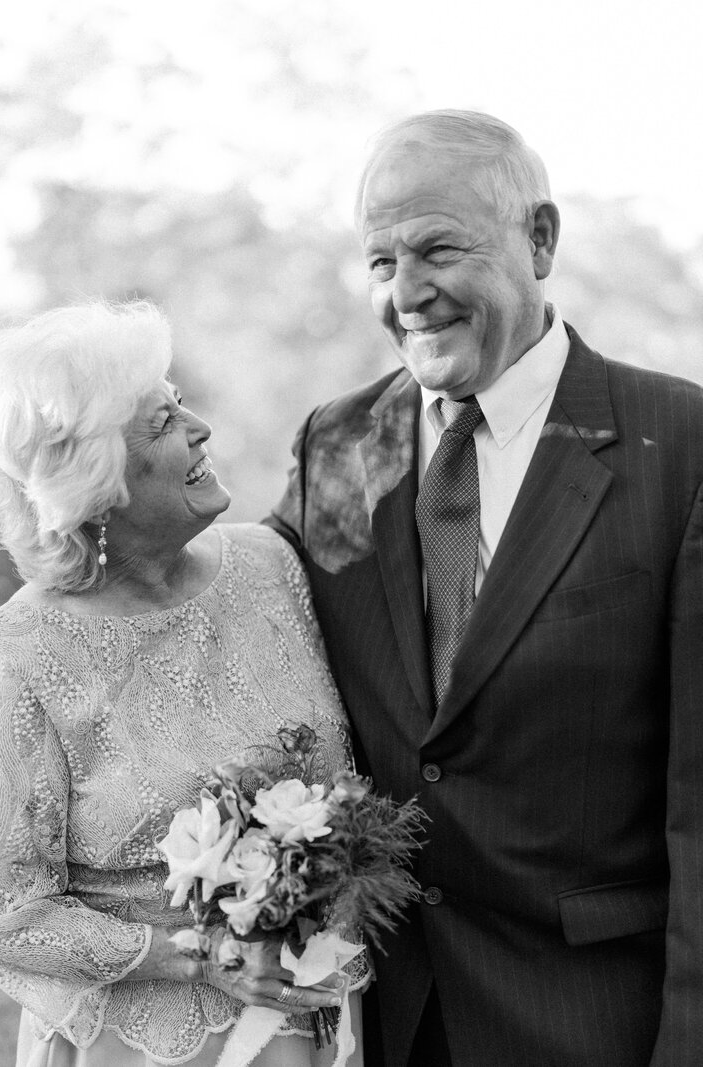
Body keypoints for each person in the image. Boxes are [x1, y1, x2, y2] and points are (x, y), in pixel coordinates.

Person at [268, 109, 703, 1066]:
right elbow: (229, 622)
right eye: (380, 263)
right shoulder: (338, 447)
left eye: (438, 250)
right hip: (382, 1021)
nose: (407, 294)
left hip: (593, 1024)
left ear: (539, 240)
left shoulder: (681, 445)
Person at [0, 301, 365, 1067]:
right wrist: (200, 954)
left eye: (180, 403)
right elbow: (3, 911)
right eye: (164, 422)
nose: (200, 427)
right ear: (96, 482)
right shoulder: (18, 656)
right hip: (146, 1047)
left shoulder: (270, 567)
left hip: (316, 1022)